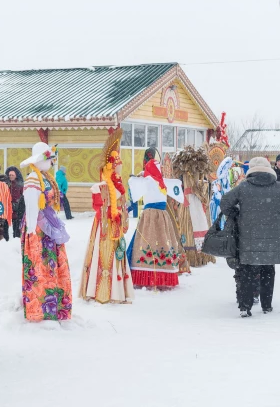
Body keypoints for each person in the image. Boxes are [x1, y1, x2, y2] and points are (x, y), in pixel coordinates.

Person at [220, 157, 280, 317]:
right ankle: (267, 305)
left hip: (248, 237)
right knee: (268, 270)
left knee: (247, 271)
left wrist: (236, 215)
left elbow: (225, 202)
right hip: (273, 238)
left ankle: (245, 306)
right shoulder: (278, 187)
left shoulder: (243, 187)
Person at [80, 129, 133, 303]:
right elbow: (98, 202)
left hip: (114, 224)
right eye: (118, 165)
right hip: (105, 224)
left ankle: (116, 291)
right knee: (103, 257)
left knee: (116, 253)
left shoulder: (118, 184)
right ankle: (103, 291)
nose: (121, 167)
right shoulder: (103, 185)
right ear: (111, 166)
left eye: (121, 165)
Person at [20, 142, 72, 321]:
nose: (51, 162)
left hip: (49, 225)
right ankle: (40, 309)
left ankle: (57, 305)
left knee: (52, 264)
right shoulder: (33, 179)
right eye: (49, 158)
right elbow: (31, 206)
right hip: (39, 230)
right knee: (40, 265)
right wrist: (31, 229)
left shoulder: (45, 177)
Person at [127, 158, 185, 289]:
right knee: (159, 240)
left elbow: (133, 184)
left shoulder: (150, 180)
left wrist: (140, 175)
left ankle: (149, 273)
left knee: (153, 241)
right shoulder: (160, 182)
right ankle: (156, 273)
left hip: (152, 216)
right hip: (159, 215)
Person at [5, 166, 25, 238]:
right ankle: (5, 239)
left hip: (17, 208)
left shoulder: (19, 184)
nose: (11, 176)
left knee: (16, 226)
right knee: (5, 225)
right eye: (10, 175)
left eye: (12, 175)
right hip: (7, 207)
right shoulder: (6, 184)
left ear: (16, 175)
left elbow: (23, 195)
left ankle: (16, 238)